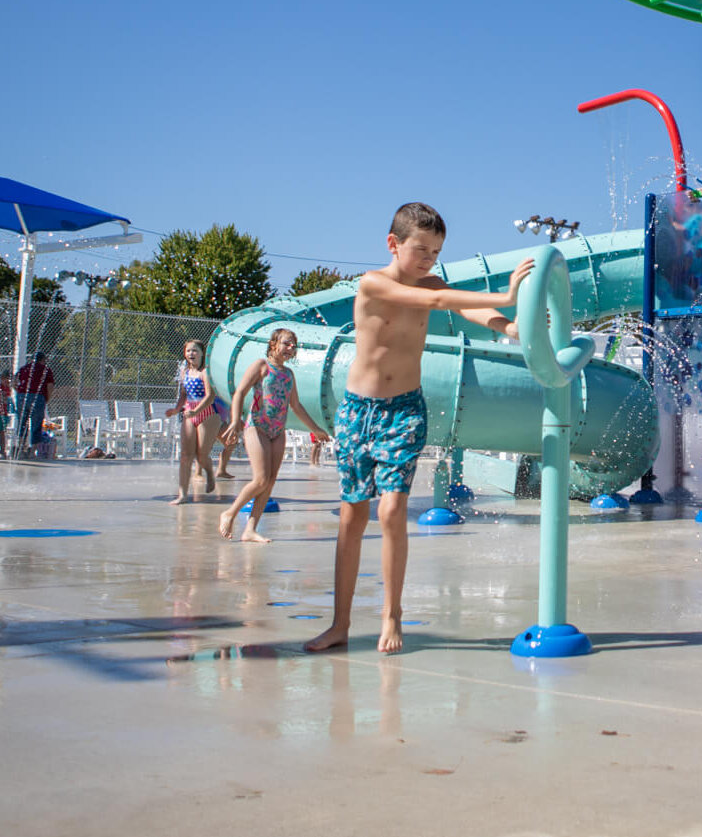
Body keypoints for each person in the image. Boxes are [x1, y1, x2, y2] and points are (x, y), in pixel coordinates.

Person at [305, 202, 532, 655]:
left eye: (437, 251)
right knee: (353, 516)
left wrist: (508, 326)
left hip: (405, 409)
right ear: (393, 244)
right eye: (422, 250)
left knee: (390, 512)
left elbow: (463, 311)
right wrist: (505, 296)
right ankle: (340, 623)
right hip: (357, 412)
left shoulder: (432, 281)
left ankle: (392, 613)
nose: (430, 259)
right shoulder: (373, 284)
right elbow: (437, 301)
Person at [219, 328, 330, 542]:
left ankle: (250, 529)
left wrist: (315, 429)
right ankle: (230, 513)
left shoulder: (288, 375)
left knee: (269, 482)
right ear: (274, 344)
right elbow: (240, 392)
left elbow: (295, 406)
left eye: (293, 345)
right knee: (260, 479)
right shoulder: (262, 366)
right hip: (257, 427)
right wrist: (235, 421)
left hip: (278, 431)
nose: (291, 348)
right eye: (287, 343)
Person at [166, 340, 221, 504]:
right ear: (185, 353)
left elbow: (210, 396)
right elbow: (183, 394)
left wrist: (197, 411)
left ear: (202, 353)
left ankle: (210, 473)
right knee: (185, 456)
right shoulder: (185, 372)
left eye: (195, 351)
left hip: (207, 413)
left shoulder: (206, 372)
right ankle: (182, 494)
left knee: (201, 455)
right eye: (189, 351)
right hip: (189, 412)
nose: (191, 354)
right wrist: (176, 409)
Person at [14, 352, 55, 457]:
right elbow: (50, 386)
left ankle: (21, 449)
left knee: (22, 423)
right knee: (36, 424)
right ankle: (32, 451)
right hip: (37, 397)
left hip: (22, 396)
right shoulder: (45, 370)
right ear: (42, 360)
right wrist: (47, 399)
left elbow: (14, 382)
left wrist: (19, 392)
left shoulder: (24, 368)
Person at [0, 367, 12, 459]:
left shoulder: (6, 388)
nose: (8, 381)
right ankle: (3, 451)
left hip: (3, 413)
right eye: (6, 379)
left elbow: (6, 400)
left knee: (2, 432)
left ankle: (3, 451)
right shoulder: (1, 387)